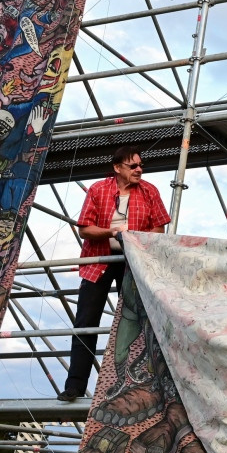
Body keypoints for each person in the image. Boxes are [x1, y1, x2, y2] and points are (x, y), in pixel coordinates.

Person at [58, 146, 170, 401]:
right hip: (99, 261)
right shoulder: (98, 189)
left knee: (134, 323)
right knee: (86, 323)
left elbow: (159, 229)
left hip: (133, 262)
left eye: (141, 165)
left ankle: (133, 384)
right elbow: (84, 229)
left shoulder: (150, 190)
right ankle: (74, 385)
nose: (139, 169)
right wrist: (113, 232)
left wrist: (132, 237)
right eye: (133, 166)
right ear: (117, 168)